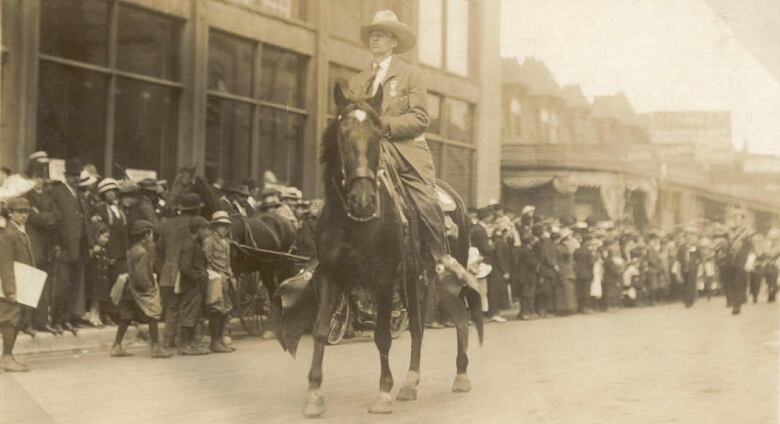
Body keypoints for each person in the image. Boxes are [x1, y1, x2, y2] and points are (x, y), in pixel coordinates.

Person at [348, 10, 450, 284]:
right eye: (372, 34)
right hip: (365, 154)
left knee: (426, 202)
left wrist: (383, 125)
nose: (375, 38)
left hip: (404, 154)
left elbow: (420, 118)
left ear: (394, 41)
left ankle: (440, 260)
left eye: (381, 34)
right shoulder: (357, 81)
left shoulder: (410, 75)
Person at [111, 220, 172, 359]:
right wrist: (149, 289)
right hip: (139, 290)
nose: (152, 236)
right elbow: (141, 274)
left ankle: (117, 346)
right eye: (150, 234)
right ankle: (155, 348)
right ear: (145, 235)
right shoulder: (142, 252)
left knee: (126, 317)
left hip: (130, 288)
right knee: (153, 315)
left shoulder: (133, 249)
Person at [50, 158, 91, 335]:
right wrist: (56, 244)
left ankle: (66, 319)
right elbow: (55, 221)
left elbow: (85, 221)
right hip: (65, 247)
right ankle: (57, 320)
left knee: (74, 285)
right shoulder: (57, 193)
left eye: (77, 176)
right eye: (72, 175)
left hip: (79, 248)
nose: (75, 179)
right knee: (61, 285)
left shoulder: (80, 196)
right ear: (66, 176)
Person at [157, 192, 204, 349]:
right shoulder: (196, 224)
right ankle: (187, 341)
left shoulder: (166, 224)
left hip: (168, 271)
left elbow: (160, 248)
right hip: (187, 271)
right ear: (197, 209)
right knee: (189, 307)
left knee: (171, 307)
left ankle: (168, 340)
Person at [0, 197, 35, 372]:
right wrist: (10, 290)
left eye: (26, 211)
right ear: (10, 213)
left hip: (22, 281)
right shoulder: (8, 234)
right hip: (11, 284)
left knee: (14, 319)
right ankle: (6, 357)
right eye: (20, 211)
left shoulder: (21, 232)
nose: (24, 215)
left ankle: (8, 356)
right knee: (9, 320)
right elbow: (5, 264)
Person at [202, 211, 235, 353]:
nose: (225, 229)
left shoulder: (226, 242)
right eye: (222, 226)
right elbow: (206, 261)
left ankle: (220, 339)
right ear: (215, 227)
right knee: (216, 310)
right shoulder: (209, 241)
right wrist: (216, 274)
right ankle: (214, 341)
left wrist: (230, 275)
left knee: (225, 309)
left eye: (226, 226)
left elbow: (227, 262)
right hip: (215, 278)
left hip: (226, 278)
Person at [178, 216, 210, 355]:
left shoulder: (195, 243)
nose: (207, 232)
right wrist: (197, 276)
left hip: (196, 285)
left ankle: (191, 343)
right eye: (205, 229)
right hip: (191, 285)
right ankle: (185, 345)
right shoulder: (189, 244)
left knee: (194, 314)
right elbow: (185, 267)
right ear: (199, 230)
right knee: (189, 314)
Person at [85, 223, 112, 327]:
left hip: (102, 278)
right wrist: (93, 252)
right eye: (104, 237)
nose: (106, 239)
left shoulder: (104, 249)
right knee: (95, 299)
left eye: (107, 237)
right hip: (95, 277)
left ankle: (97, 316)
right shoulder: (95, 249)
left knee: (99, 299)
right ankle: (93, 317)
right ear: (97, 236)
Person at [574, 234, 595, 313]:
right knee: (586, 291)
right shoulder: (588, 252)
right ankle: (586, 308)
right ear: (587, 242)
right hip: (587, 274)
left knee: (579, 291)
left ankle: (579, 307)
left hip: (578, 273)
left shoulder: (576, 251)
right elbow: (591, 264)